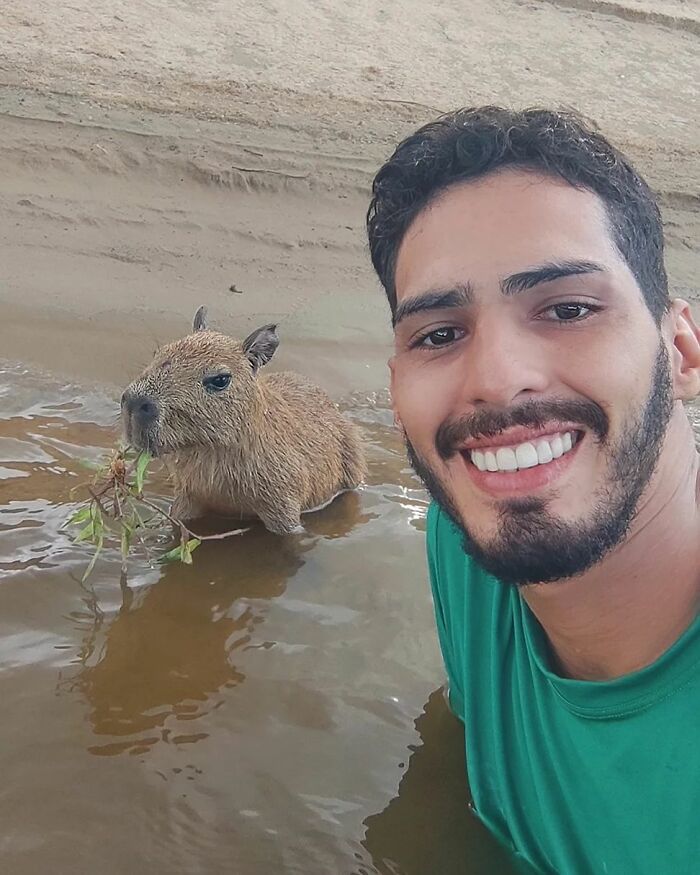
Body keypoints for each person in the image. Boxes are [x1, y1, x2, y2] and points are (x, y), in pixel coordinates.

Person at [366, 106, 700, 875]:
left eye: (569, 308)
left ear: (679, 350)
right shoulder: (469, 536)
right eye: (440, 334)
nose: (495, 379)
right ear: (396, 389)